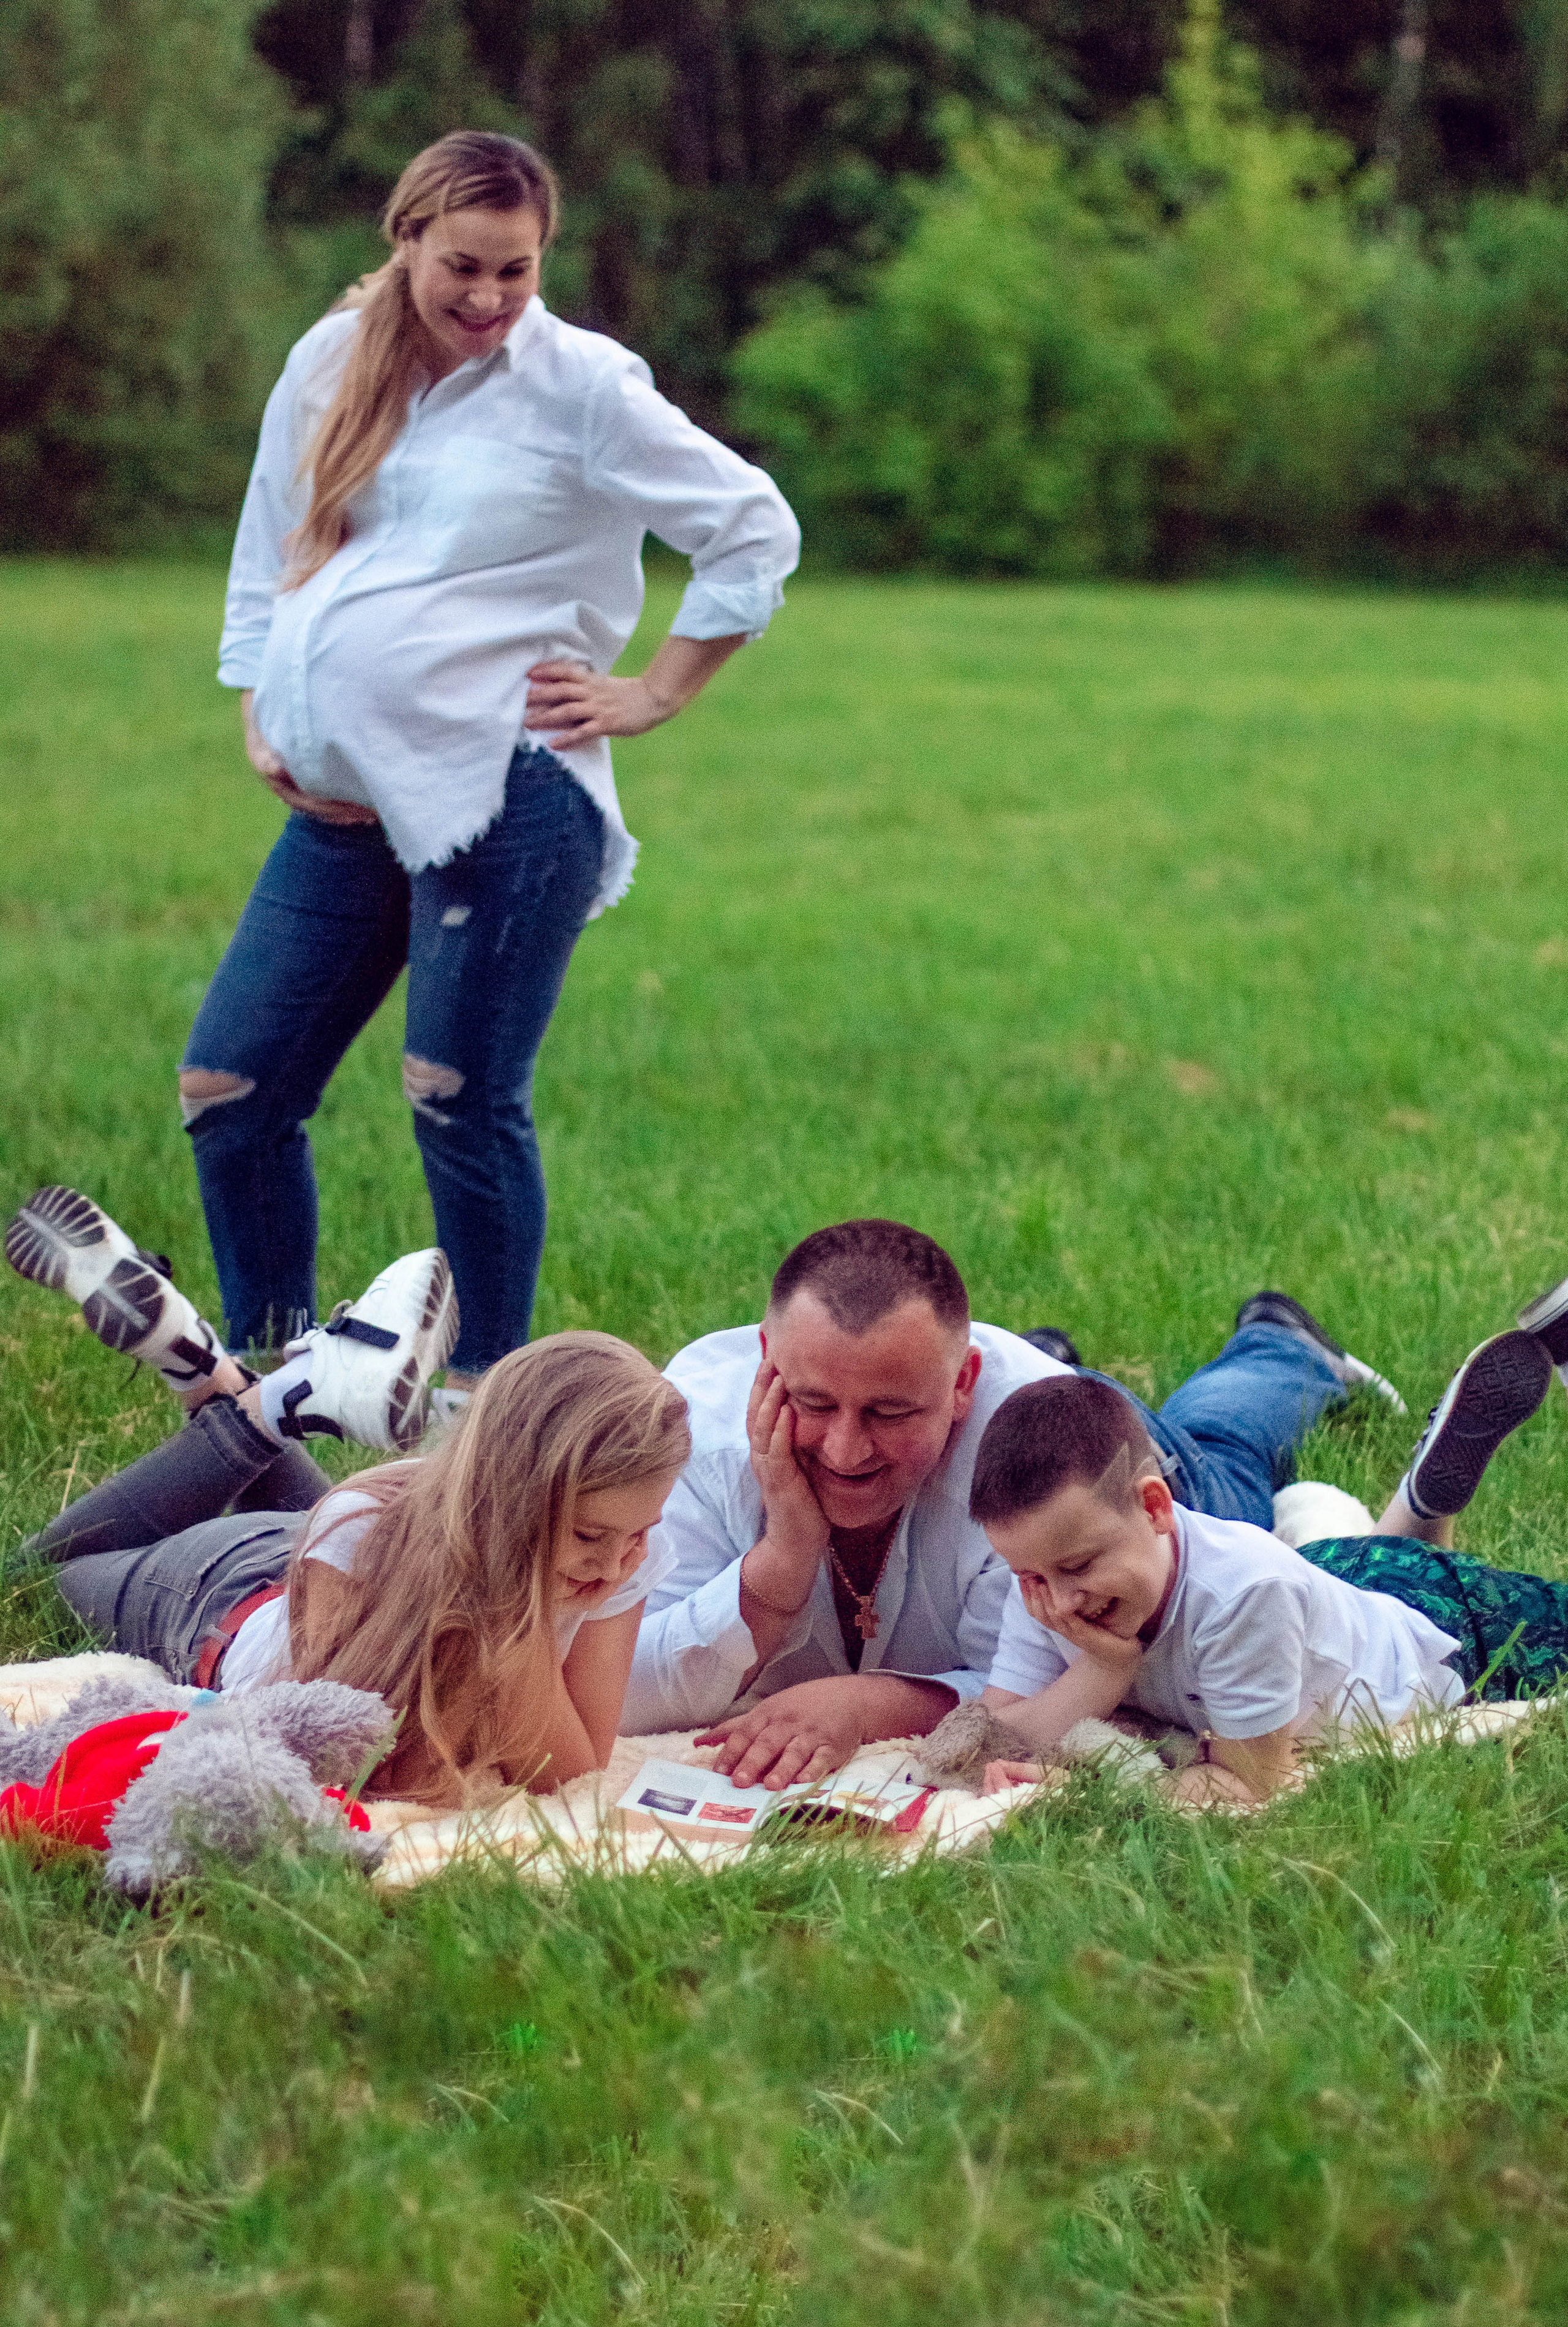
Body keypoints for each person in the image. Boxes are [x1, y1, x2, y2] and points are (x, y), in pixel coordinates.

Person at [193, 129, 800, 1382]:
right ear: (404, 236)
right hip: (349, 805)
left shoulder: (578, 384)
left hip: (508, 793)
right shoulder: (327, 359)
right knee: (230, 1089)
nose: (485, 298)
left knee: (454, 1094)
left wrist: (655, 692)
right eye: (462, 266)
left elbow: (750, 528)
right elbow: (268, 549)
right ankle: (272, 1383)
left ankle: (488, 1409)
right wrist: (262, 709)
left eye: (513, 272)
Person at [620, 1218, 1400, 1789]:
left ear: (962, 1386)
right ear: (765, 1361)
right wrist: (779, 1565)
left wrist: (868, 1704)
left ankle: (1283, 1348)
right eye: (814, 1402)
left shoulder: (1035, 1497)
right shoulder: (690, 1437)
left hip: (1090, 1450)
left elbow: (1037, 1680)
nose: (844, 1451)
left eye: (891, 1413)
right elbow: (615, 1682)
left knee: (1225, 1461)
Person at [8, 1198, 690, 1805]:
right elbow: (341, 1748)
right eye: (589, 1535)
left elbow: (571, 1769)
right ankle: (277, 1400)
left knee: (361, 1523)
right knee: (33, 1577)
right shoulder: (360, 1527)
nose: (616, 1565)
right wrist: (511, 1602)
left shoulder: (623, 1547)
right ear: (512, 1500)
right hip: (216, 1597)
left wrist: (522, 1607)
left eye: (639, 1535)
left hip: (368, 1545)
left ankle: (217, 1370)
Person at [973, 1314, 1568, 1808]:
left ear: (1155, 1505)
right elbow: (995, 1735)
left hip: (1450, 1626)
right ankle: (1415, 1507)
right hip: (1327, 1581)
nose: (1058, 1601)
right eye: (1029, 1576)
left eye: (1078, 1567)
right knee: (1328, 1556)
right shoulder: (1046, 1571)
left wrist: (1083, 1793)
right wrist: (1103, 1669)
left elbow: (1247, 1781)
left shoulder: (1242, 1597)